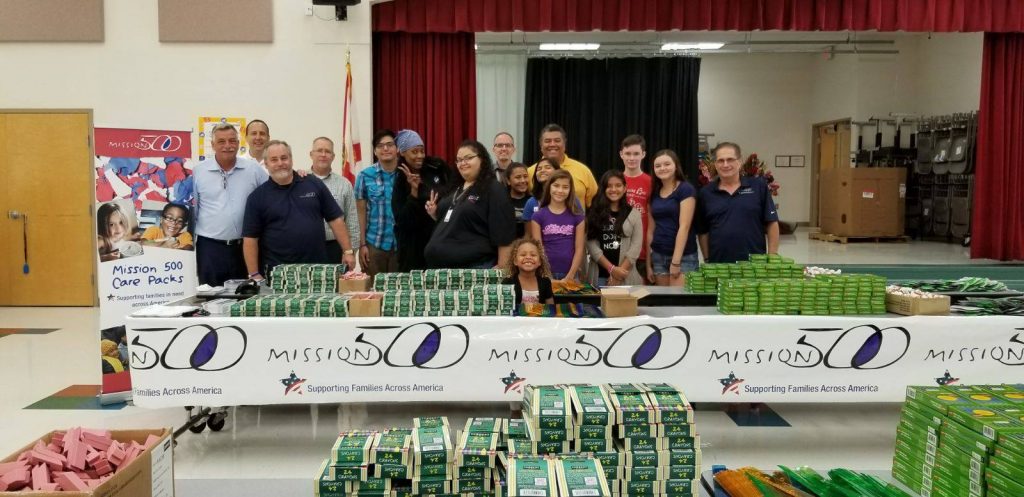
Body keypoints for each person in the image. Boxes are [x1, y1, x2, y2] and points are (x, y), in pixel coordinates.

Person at [242, 140, 355, 281]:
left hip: (316, 270)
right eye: (274, 160)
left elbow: (335, 219)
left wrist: (348, 251)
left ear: (291, 159)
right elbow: (250, 238)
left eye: (284, 158)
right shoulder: (257, 197)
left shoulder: (313, 184)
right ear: (266, 163)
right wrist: (253, 274)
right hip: (277, 274)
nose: (280, 163)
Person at [194, 123, 269, 286]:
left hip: (245, 248)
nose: (227, 146)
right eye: (221, 141)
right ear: (213, 145)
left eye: (232, 141)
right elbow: (192, 210)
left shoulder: (253, 170)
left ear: (238, 143)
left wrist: (297, 176)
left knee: (246, 296)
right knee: (210, 295)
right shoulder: (198, 172)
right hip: (210, 249)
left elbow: (274, 191)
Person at [424, 140, 516, 269]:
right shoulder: (455, 189)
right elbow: (459, 222)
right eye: (459, 160)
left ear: (482, 159)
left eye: (468, 158)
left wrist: (503, 268)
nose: (463, 163)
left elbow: (504, 231)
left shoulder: (493, 189)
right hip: (441, 270)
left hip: (474, 269)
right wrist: (435, 214)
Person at [696, 142, 780, 263]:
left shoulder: (758, 186)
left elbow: (772, 222)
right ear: (715, 164)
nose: (725, 164)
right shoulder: (705, 193)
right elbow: (703, 231)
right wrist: (707, 259)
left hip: (754, 264)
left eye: (730, 159)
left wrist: (772, 256)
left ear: (739, 162)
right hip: (719, 265)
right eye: (720, 161)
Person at [392, 129, 450, 271]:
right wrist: (414, 191)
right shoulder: (400, 180)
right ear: (403, 153)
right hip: (413, 250)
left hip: (440, 241)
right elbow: (403, 220)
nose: (420, 156)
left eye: (422, 151)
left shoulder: (436, 167)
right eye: (414, 152)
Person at [646, 149, 698, 286]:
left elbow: (684, 227)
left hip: (683, 257)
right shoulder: (654, 194)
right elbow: (650, 230)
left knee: (678, 299)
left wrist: (676, 261)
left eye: (667, 164)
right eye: (658, 166)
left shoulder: (686, 189)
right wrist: (648, 264)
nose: (662, 168)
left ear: (676, 166)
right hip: (658, 256)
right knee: (663, 299)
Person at [586, 170, 644, 286]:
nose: (613, 189)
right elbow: (591, 245)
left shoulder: (634, 214)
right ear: (603, 188)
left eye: (618, 185)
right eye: (609, 186)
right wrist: (612, 269)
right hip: (599, 277)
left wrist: (619, 274)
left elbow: (636, 247)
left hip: (626, 276)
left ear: (625, 188)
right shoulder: (594, 212)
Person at [309, 136, 361, 264]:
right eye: (319, 150)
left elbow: (352, 222)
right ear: (311, 154)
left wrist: (350, 252)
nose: (323, 154)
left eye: (327, 151)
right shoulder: (300, 181)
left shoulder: (344, 184)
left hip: (335, 248)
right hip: (306, 247)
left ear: (333, 156)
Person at [356, 129, 400, 277]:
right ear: (375, 151)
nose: (385, 148)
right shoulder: (364, 176)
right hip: (374, 244)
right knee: (373, 289)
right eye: (380, 146)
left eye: (390, 144)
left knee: (399, 289)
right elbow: (360, 213)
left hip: (401, 245)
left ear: (397, 148)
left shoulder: (406, 173)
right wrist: (362, 245)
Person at [529, 170, 586, 281]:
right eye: (556, 186)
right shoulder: (538, 216)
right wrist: (548, 276)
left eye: (565, 187)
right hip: (545, 274)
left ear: (570, 190)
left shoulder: (578, 217)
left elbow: (579, 249)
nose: (560, 190)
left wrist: (570, 276)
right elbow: (538, 249)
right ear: (549, 187)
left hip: (571, 274)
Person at [526, 124, 599, 208]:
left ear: (564, 144)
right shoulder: (530, 172)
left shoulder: (583, 170)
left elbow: (595, 204)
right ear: (541, 145)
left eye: (557, 140)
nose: (552, 144)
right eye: (547, 141)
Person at [620, 134, 652, 280]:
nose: (632, 158)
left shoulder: (651, 182)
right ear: (621, 154)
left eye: (636, 154)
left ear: (643, 154)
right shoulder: (615, 182)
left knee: (642, 293)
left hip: (643, 253)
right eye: (628, 154)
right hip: (618, 250)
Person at [502, 237, 555, 307]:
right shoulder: (508, 282)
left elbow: (551, 308)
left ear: (540, 262)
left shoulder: (545, 282)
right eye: (523, 255)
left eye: (533, 255)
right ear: (515, 261)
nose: (528, 257)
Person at [522, 157, 562, 222]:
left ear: (558, 171)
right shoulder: (531, 202)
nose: (542, 170)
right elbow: (528, 228)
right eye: (539, 169)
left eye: (547, 167)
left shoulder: (570, 199)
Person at [506, 163, 532, 238]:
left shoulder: (533, 201)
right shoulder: (502, 200)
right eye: (518, 177)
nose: (523, 180)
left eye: (525, 176)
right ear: (508, 181)